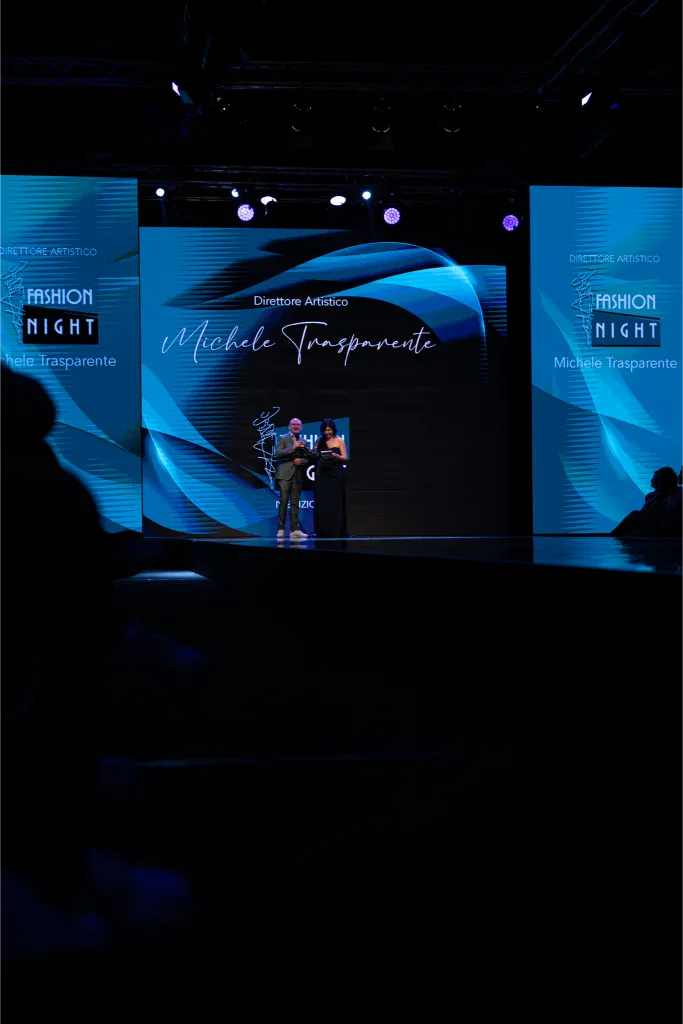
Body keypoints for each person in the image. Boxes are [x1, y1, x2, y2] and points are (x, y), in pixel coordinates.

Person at [612, 466, 682, 537]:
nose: (651, 480)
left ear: (662, 480)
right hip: (650, 525)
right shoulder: (651, 496)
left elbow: (670, 513)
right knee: (635, 516)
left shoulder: (677, 493)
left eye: (654, 478)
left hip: (663, 527)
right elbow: (643, 512)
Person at [274, 417, 311, 538]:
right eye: (293, 424)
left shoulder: (303, 441)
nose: (295, 426)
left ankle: (295, 530)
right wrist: (293, 447)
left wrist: (302, 461)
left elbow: (308, 458)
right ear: (289, 427)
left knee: (295, 503)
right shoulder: (283, 438)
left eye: (298, 424)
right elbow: (277, 453)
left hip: (297, 474)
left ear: (301, 427)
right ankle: (281, 528)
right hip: (284, 474)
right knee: (284, 501)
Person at [313, 418, 348, 538]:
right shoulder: (320, 440)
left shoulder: (339, 440)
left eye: (329, 430)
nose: (327, 432)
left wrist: (335, 455)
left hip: (336, 473)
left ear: (333, 429)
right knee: (323, 502)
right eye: (325, 430)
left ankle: (337, 530)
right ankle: (323, 530)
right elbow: (314, 454)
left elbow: (345, 457)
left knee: (335, 502)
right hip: (323, 474)